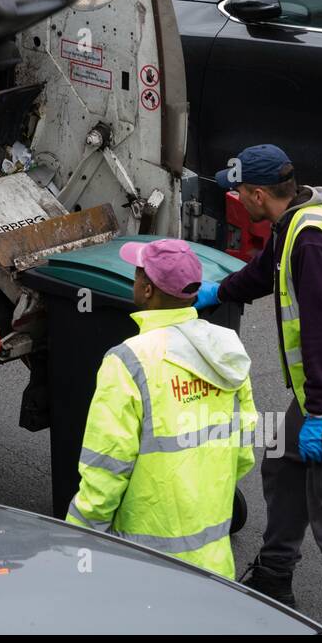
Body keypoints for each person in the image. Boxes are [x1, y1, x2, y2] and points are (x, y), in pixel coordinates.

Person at [195, 144, 322, 635]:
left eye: (240, 192)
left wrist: (320, 413)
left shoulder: (309, 241)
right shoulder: (301, 219)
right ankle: (274, 573)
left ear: (259, 194)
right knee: (285, 464)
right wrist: (219, 292)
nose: (236, 200)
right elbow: (267, 272)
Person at [66, 238, 258, 578]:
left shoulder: (129, 361)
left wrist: (78, 537)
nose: (135, 281)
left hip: (147, 568)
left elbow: (106, 469)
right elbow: (242, 453)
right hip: (215, 564)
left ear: (147, 290)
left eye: (138, 274)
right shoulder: (226, 351)